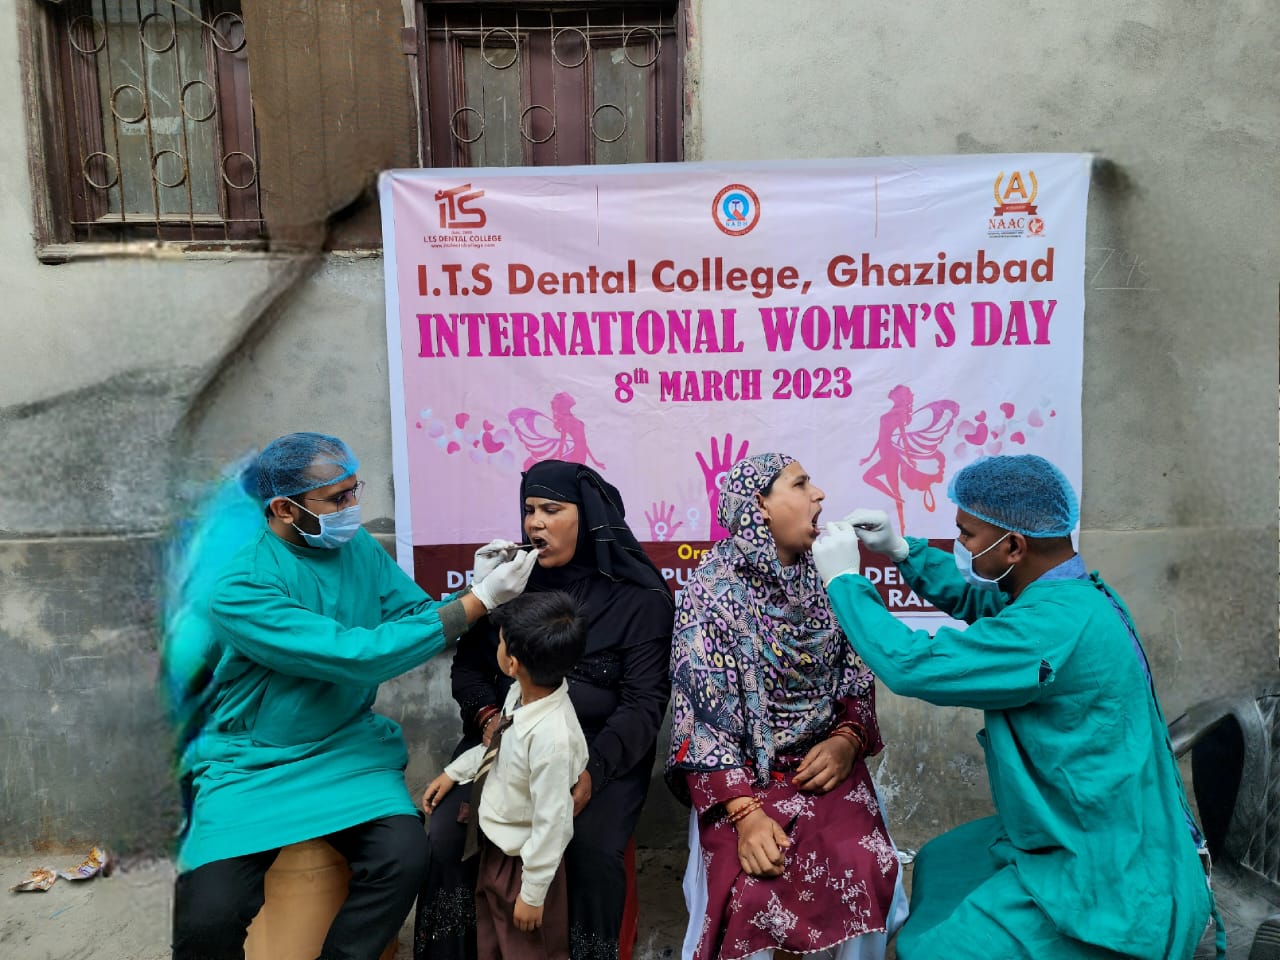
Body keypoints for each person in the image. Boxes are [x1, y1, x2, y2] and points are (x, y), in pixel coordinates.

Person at [811, 454, 1220, 960]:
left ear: (1013, 546)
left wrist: (844, 583)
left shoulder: (1050, 628)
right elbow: (984, 603)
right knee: (941, 859)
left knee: (927, 950)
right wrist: (902, 551)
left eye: (967, 534)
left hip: (1108, 862)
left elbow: (913, 665)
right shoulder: (1067, 591)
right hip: (1085, 822)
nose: (960, 544)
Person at [162, 432, 537, 960]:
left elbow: (412, 615)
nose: (352, 509)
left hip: (345, 749)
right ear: (284, 509)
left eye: (354, 491)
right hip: (253, 764)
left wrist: (469, 591)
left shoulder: (355, 547)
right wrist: (477, 602)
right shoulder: (242, 589)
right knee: (207, 917)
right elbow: (354, 655)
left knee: (404, 857)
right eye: (337, 499)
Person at [415, 459, 674, 960]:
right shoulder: (510, 584)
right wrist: (489, 720)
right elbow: (468, 671)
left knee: (589, 849)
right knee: (448, 834)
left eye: (551, 510)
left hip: (600, 753)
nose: (535, 523)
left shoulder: (639, 601)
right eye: (529, 510)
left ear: (588, 517)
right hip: (504, 735)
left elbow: (643, 705)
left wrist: (593, 773)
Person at [665, 452, 908, 960]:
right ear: (761, 507)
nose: (819, 494)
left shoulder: (832, 578)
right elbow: (701, 721)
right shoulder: (710, 593)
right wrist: (746, 815)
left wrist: (847, 740)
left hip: (824, 769)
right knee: (750, 894)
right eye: (800, 485)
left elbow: (858, 678)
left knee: (864, 867)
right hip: (741, 780)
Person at [422, 591, 590, 960]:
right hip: (497, 849)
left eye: (499, 642)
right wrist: (454, 772)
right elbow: (499, 749)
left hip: (524, 865)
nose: (496, 646)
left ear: (512, 663)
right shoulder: (521, 695)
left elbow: (553, 823)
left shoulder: (552, 739)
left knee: (525, 949)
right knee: (493, 943)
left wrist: (532, 895)